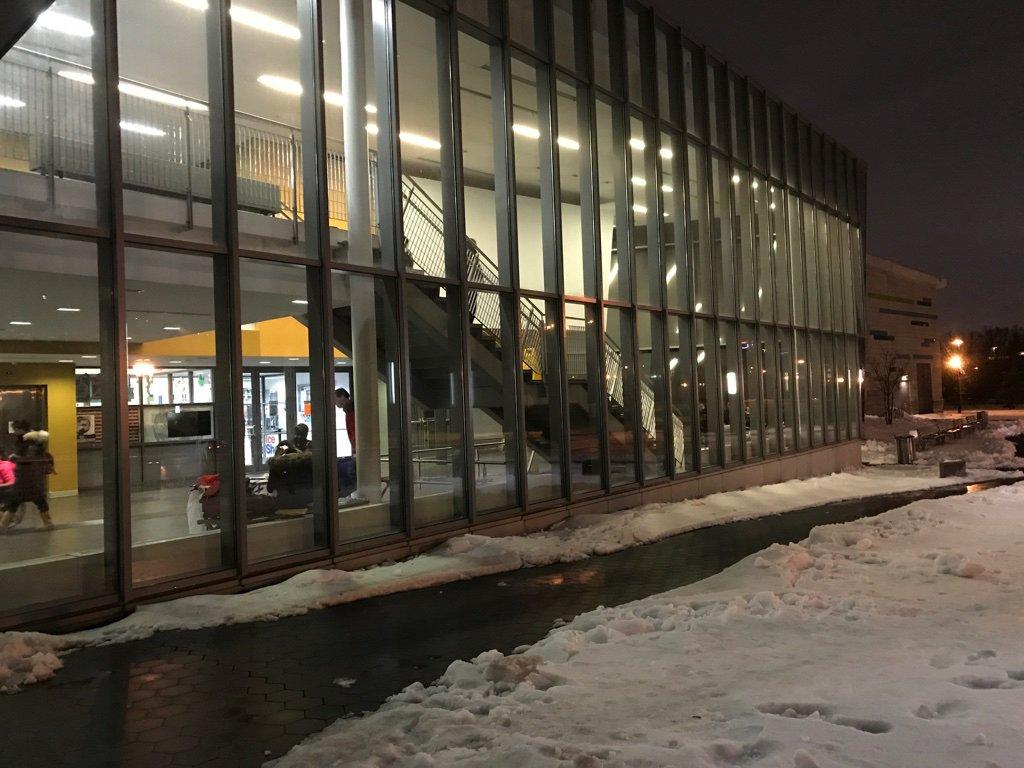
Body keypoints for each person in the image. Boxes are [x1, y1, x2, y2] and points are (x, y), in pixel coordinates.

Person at [0, 430, 55, 531]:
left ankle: (3, 526)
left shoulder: (18, 456)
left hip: (20, 487)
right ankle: (48, 523)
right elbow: (48, 470)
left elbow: (13, 459)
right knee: (42, 505)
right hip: (36, 486)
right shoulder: (43, 455)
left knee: (12, 506)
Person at [335, 387, 356, 454]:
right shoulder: (348, 410)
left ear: (342, 396)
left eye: (335, 399)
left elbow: (353, 430)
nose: (334, 402)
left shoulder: (353, 410)